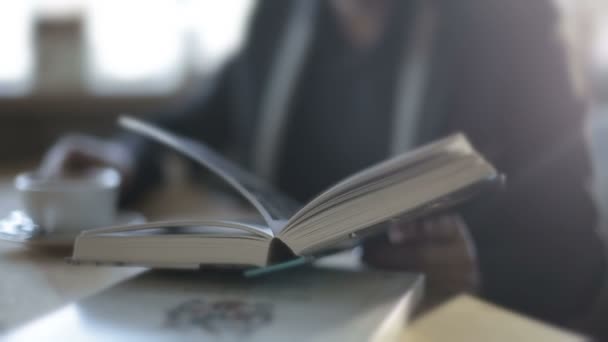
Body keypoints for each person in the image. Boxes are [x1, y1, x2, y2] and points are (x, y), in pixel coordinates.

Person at [41, 0, 606, 329]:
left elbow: (572, 241)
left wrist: (472, 275)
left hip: (429, 325)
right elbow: (202, 114)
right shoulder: (286, 16)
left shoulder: (510, 26)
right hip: (291, 318)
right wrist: (121, 156)